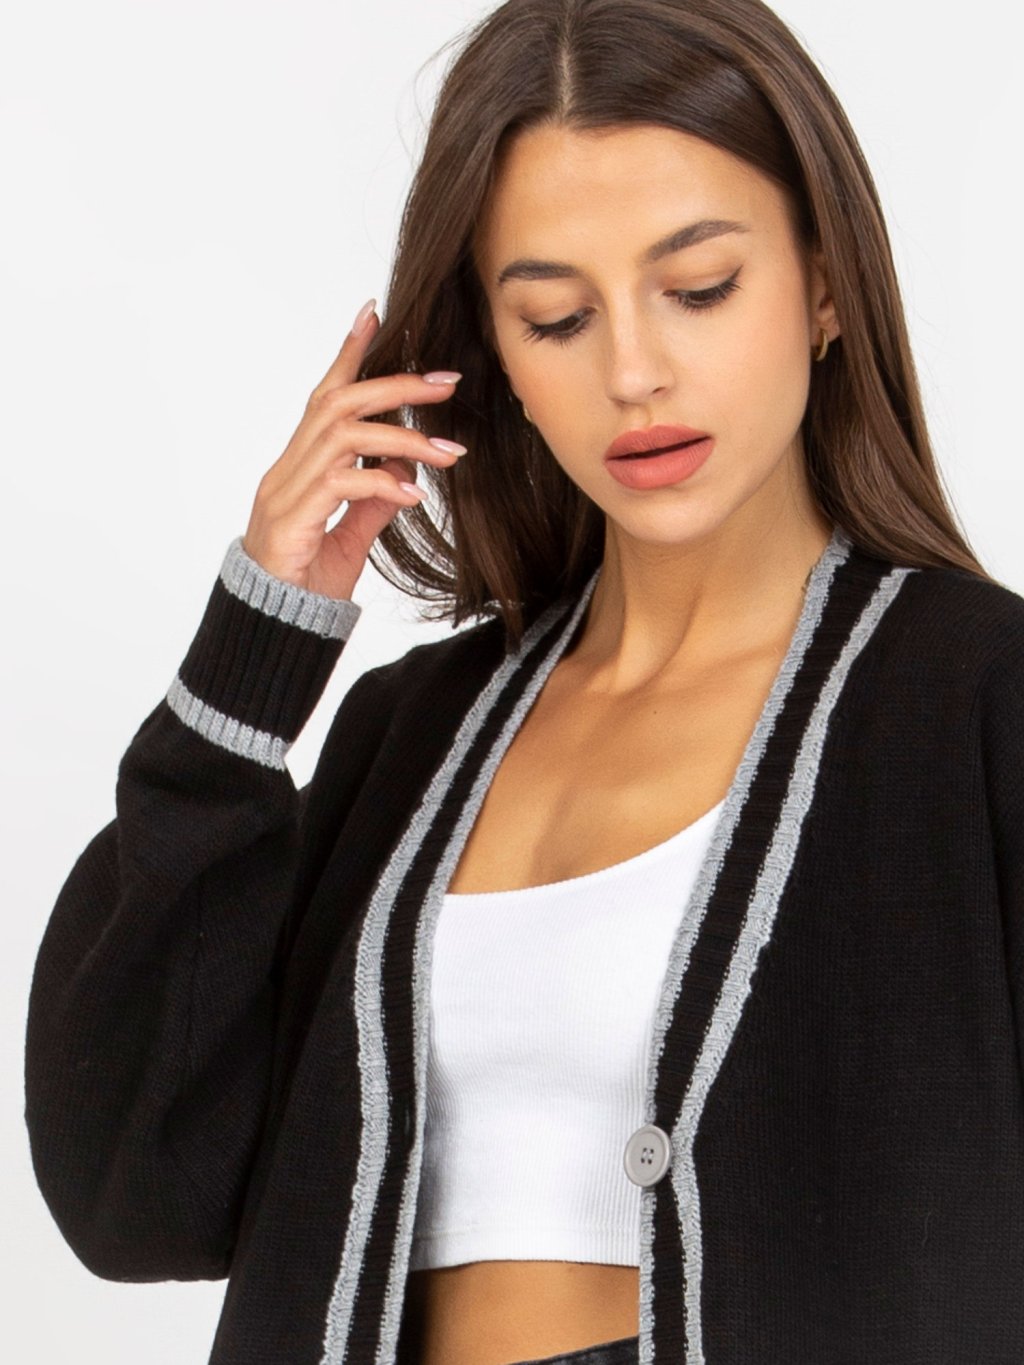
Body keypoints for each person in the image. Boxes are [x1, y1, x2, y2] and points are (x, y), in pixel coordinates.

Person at [23, 0, 1024, 1362]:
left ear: (827, 283)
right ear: (491, 351)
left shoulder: (978, 703)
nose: (633, 371)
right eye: (555, 316)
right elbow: (133, 1193)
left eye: (700, 287)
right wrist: (252, 662)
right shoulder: (410, 736)